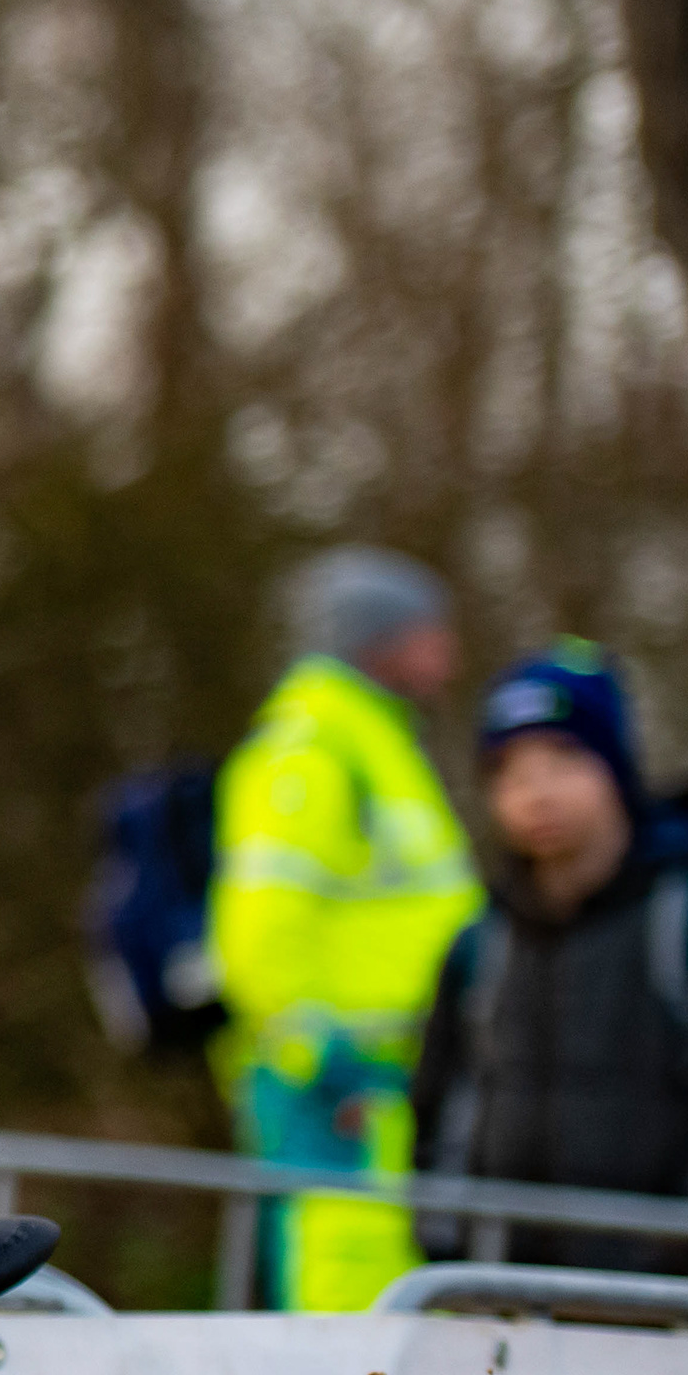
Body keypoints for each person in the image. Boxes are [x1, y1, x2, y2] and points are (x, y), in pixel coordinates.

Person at [412, 641, 688, 1272]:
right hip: (506, 1300)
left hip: (678, 1303)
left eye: (563, 759)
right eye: (510, 771)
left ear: (616, 766)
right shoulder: (482, 943)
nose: (536, 792)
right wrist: (450, 1244)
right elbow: (439, 1112)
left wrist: (682, 1250)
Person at [206, 548, 481, 1311]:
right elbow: (258, 927)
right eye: (429, 633)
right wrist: (318, 1057)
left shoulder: (373, 743)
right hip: (334, 1089)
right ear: (377, 639)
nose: (448, 655)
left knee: (379, 1296)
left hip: (386, 1084)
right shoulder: (313, 752)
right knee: (333, 1300)